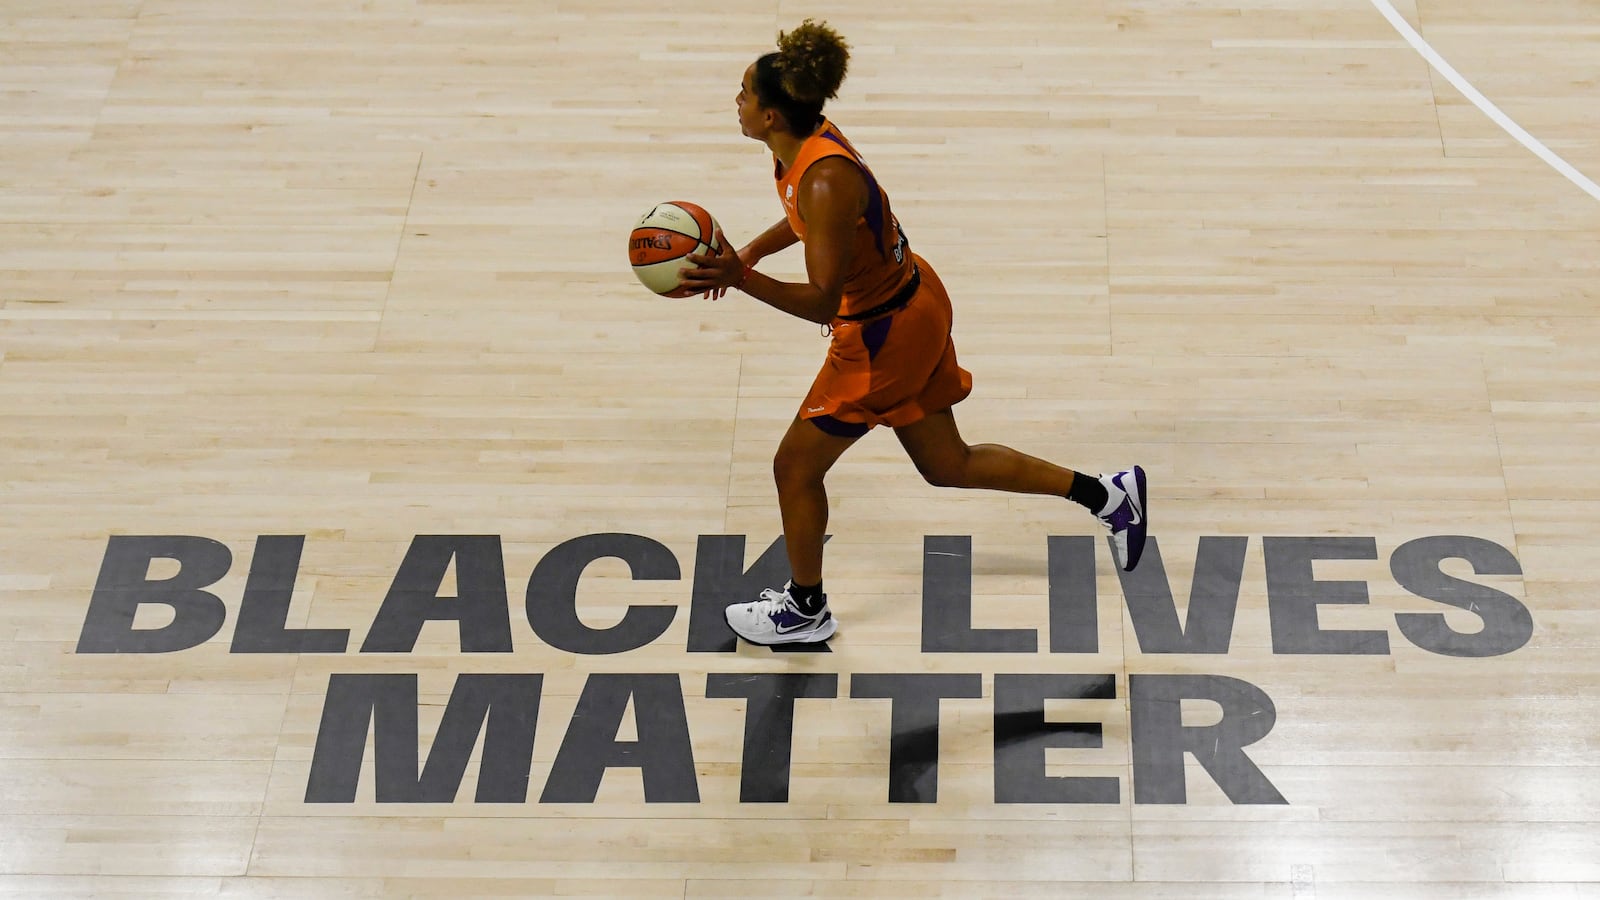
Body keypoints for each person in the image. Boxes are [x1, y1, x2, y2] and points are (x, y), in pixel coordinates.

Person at [679, 19, 1146, 646]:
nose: (735, 101)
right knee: (947, 463)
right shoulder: (806, 147)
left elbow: (821, 301)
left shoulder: (823, 178)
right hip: (911, 304)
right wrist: (753, 254)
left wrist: (738, 277)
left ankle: (804, 608)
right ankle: (1109, 496)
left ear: (769, 115)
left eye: (743, 93)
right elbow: (808, 224)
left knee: (794, 467)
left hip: (882, 340)